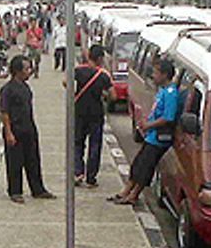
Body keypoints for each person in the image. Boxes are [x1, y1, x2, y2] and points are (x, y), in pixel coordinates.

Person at [109, 59, 179, 205]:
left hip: (159, 138)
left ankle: (134, 195)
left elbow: (168, 117)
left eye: (156, 73)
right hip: (151, 136)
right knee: (138, 164)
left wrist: (148, 125)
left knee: (145, 167)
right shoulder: (162, 91)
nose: (153, 76)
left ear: (165, 75)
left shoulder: (171, 94)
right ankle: (126, 191)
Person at [0, 55, 56, 204]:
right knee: (15, 162)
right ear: (17, 71)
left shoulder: (25, 87)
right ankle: (15, 191)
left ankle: (38, 189)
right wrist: (8, 133)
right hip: (15, 130)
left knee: (33, 160)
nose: (29, 71)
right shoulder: (7, 90)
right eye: (26, 69)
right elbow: (4, 112)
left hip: (28, 128)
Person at [66, 45, 115, 187]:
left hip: (79, 112)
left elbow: (65, 82)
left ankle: (78, 172)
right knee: (95, 145)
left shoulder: (78, 71)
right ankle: (91, 177)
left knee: (77, 143)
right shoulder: (104, 75)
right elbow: (114, 95)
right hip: (96, 114)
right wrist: (102, 94)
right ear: (100, 58)